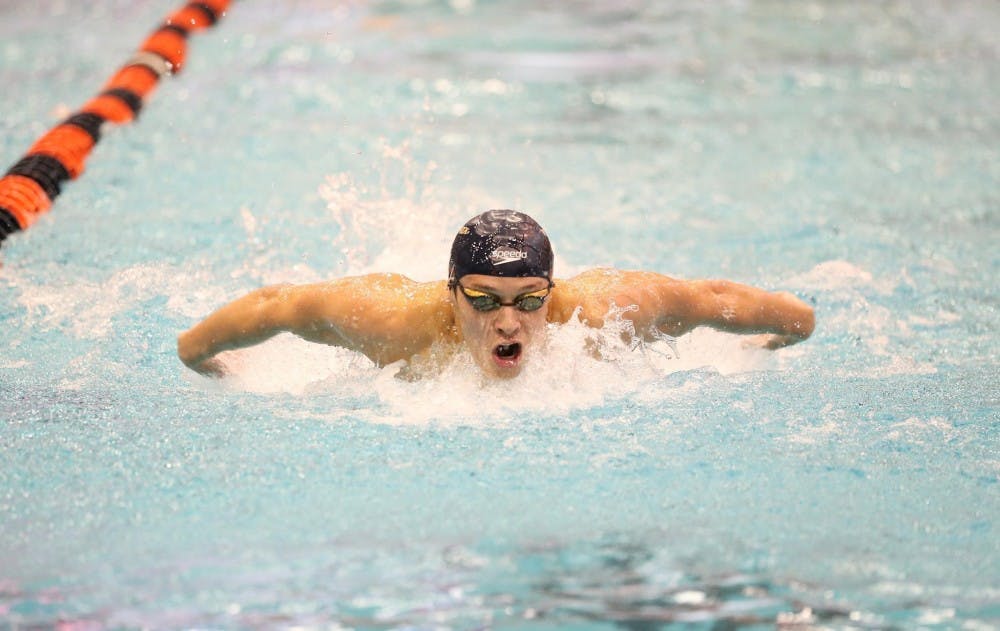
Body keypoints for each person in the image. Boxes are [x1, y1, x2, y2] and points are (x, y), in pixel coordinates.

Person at [177, 209, 815, 380]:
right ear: (452, 293)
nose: (509, 321)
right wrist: (195, 352)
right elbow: (278, 305)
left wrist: (793, 326)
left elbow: (706, 297)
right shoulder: (395, 321)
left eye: (529, 300)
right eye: (484, 300)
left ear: (551, 291)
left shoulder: (600, 313)